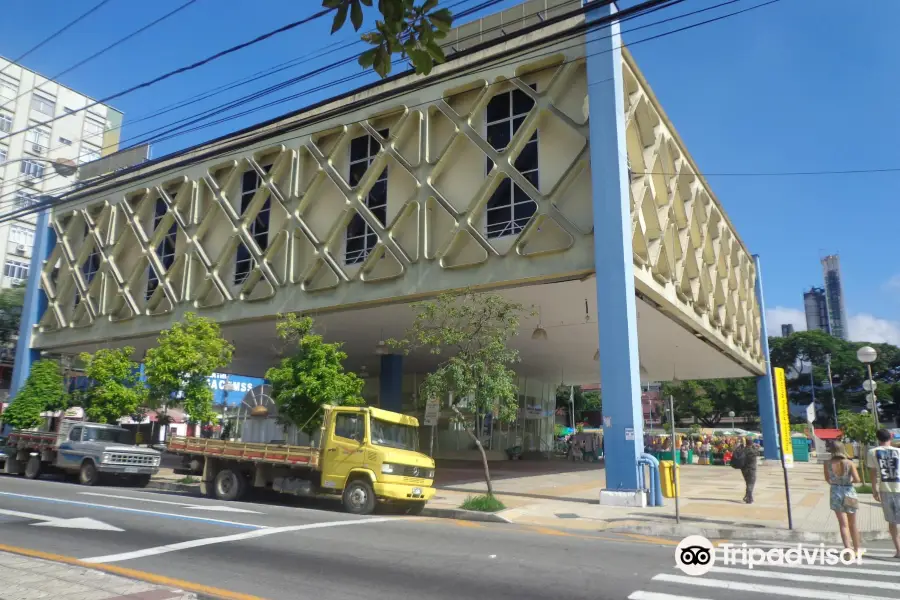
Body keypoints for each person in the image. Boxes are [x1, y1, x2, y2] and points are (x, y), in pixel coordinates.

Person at [867, 428, 900, 558]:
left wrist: (874, 490)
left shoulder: (872, 452)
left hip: (885, 489)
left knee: (892, 522)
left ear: (878, 438)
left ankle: (898, 550)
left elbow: (873, 473)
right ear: (890, 437)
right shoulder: (899, 451)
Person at [825, 442, 861, 552]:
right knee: (853, 524)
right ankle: (857, 549)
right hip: (849, 491)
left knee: (843, 524)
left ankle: (848, 549)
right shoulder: (849, 463)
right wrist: (849, 481)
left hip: (836, 492)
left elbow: (827, 479)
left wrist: (836, 483)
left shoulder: (827, 463)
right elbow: (857, 479)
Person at [740, 437, 759, 503]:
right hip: (751, 469)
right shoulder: (753, 450)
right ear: (752, 442)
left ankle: (748, 497)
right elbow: (757, 452)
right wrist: (755, 446)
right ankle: (748, 498)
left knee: (748, 483)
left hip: (744, 469)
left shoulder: (743, 449)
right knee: (751, 483)